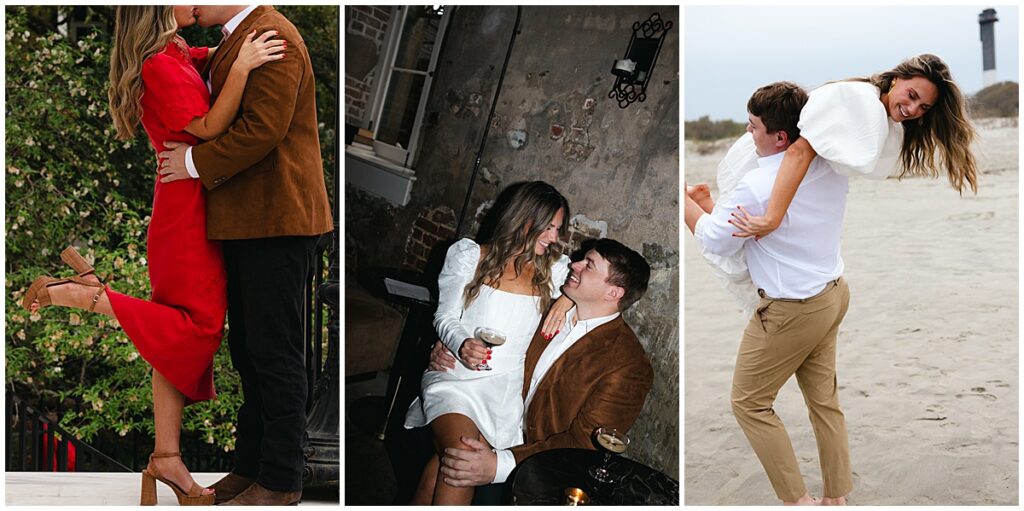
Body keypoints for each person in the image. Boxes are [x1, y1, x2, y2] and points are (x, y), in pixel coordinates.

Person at [20, 5, 284, 506]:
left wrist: (238, 50)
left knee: (173, 329)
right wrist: (245, 66)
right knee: (197, 326)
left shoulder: (174, 51)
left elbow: (215, 62)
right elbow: (207, 128)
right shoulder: (159, 66)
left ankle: (166, 457)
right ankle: (76, 294)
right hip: (186, 216)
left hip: (189, 206)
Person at [153, 5, 334, 506]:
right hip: (250, 222)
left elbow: (262, 131)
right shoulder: (239, 38)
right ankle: (252, 468)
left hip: (278, 221)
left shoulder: (274, 35)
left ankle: (279, 482)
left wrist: (190, 162)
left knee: (275, 354)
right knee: (250, 352)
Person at [685, 81, 849, 505]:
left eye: (753, 126)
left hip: (791, 311)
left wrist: (681, 203)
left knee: (749, 404)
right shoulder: (829, 166)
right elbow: (749, 234)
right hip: (833, 295)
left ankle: (798, 501)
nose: (748, 133)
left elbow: (718, 243)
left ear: (779, 136)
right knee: (824, 403)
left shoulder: (758, 186)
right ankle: (836, 499)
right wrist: (710, 208)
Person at [431, 238, 653, 492]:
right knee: (446, 467)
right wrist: (448, 346)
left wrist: (499, 465)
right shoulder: (548, 311)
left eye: (588, 265)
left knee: (451, 469)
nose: (575, 264)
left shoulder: (628, 364)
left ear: (613, 293)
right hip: (496, 421)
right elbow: (493, 335)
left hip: (542, 464)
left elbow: (586, 442)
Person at [403, 181, 575, 505]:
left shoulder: (554, 270)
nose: (555, 237)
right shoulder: (469, 255)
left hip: (503, 390)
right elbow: (445, 317)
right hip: (455, 377)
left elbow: (586, 291)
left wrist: (567, 299)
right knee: (463, 458)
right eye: (549, 227)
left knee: (444, 465)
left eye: (557, 228)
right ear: (525, 219)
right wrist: (460, 343)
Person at [730, 54, 977, 240]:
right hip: (769, 164)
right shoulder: (862, 102)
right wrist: (773, 219)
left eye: (923, 107)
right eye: (912, 95)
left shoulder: (885, 120)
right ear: (896, 80)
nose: (913, 110)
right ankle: (693, 201)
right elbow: (799, 151)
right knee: (729, 244)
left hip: (784, 177)